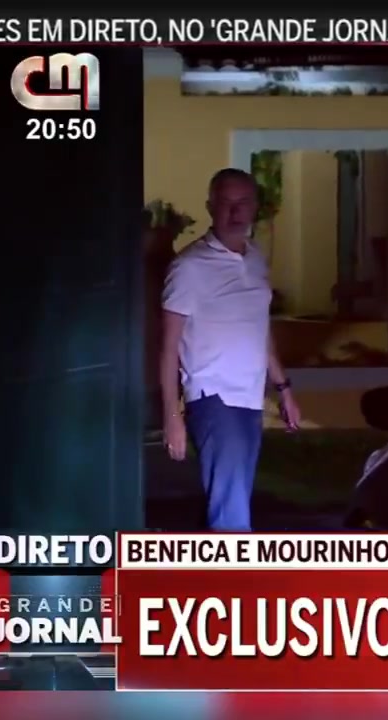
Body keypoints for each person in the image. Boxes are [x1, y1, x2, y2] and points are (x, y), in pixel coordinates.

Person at [160, 168, 301, 531]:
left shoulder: (255, 259)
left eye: (243, 203)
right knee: (231, 512)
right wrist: (172, 416)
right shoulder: (189, 267)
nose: (235, 212)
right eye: (225, 203)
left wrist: (283, 389)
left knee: (231, 497)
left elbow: (260, 330)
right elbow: (168, 346)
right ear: (210, 207)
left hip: (250, 398)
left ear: (255, 207)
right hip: (213, 396)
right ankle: (234, 564)